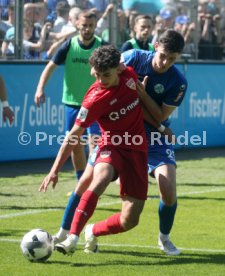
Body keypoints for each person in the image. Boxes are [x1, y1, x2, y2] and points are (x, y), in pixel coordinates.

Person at [39, 45, 149, 256]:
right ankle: (72, 237)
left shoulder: (129, 73)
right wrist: (54, 170)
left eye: (105, 75)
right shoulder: (94, 98)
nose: (100, 80)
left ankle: (93, 229)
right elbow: (73, 135)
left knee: (130, 219)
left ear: (119, 68)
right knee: (98, 180)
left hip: (136, 148)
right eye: (97, 74)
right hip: (110, 145)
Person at [121, 29, 188, 255]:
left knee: (168, 190)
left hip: (155, 137)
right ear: (156, 45)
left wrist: (140, 94)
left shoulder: (178, 82)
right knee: (94, 179)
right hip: (123, 130)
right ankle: (68, 234)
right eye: (163, 55)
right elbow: (104, 77)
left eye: (173, 59)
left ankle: (164, 238)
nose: (166, 63)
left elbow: (159, 115)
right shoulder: (133, 58)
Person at [34, 10, 106, 195]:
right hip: (73, 104)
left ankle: (92, 184)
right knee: (74, 146)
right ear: (77, 25)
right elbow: (50, 67)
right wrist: (40, 88)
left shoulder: (102, 46)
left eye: (91, 25)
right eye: (84, 25)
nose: (87, 29)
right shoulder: (69, 45)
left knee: (94, 145)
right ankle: (81, 183)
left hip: (96, 104)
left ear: (95, 26)